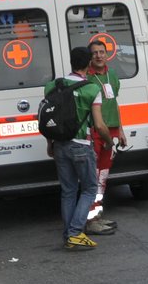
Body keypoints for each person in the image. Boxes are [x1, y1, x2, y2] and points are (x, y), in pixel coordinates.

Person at [47, 46, 110, 251]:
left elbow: (50, 117)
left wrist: (50, 144)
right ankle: (75, 232)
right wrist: (109, 141)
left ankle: (68, 234)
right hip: (81, 145)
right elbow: (99, 125)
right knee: (90, 189)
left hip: (59, 144)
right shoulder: (91, 89)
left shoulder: (53, 86)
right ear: (88, 63)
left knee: (68, 191)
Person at [84, 41, 128, 236]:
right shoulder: (86, 78)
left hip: (110, 133)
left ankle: (97, 214)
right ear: (90, 56)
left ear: (107, 54)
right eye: (95, 53)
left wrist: (121, 130)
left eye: (102, 52)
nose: (99, 56)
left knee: (102, 177)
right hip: (95, 133)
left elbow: (114, 103)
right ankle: (90, 219)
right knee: (92, 177)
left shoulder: (113, 76)